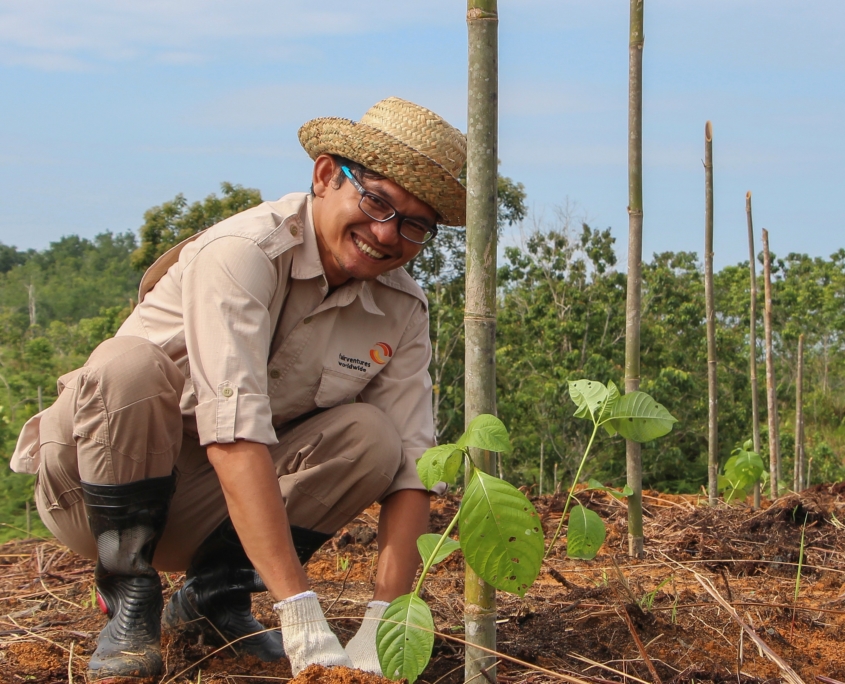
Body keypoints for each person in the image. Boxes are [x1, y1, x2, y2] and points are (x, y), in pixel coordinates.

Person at [10, 96, 466, 682]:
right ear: (327, 175)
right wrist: (302, 614)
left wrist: (385, 623)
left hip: (207, 514)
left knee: (375, 440)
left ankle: (213, 598)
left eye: (414, 224)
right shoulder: (245, 253)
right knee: (128, 365)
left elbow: (413, 470)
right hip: (93, 495)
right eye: (377, 201)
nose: (386, 233)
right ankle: (128, 601)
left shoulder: (402, 307)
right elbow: (234, 432)